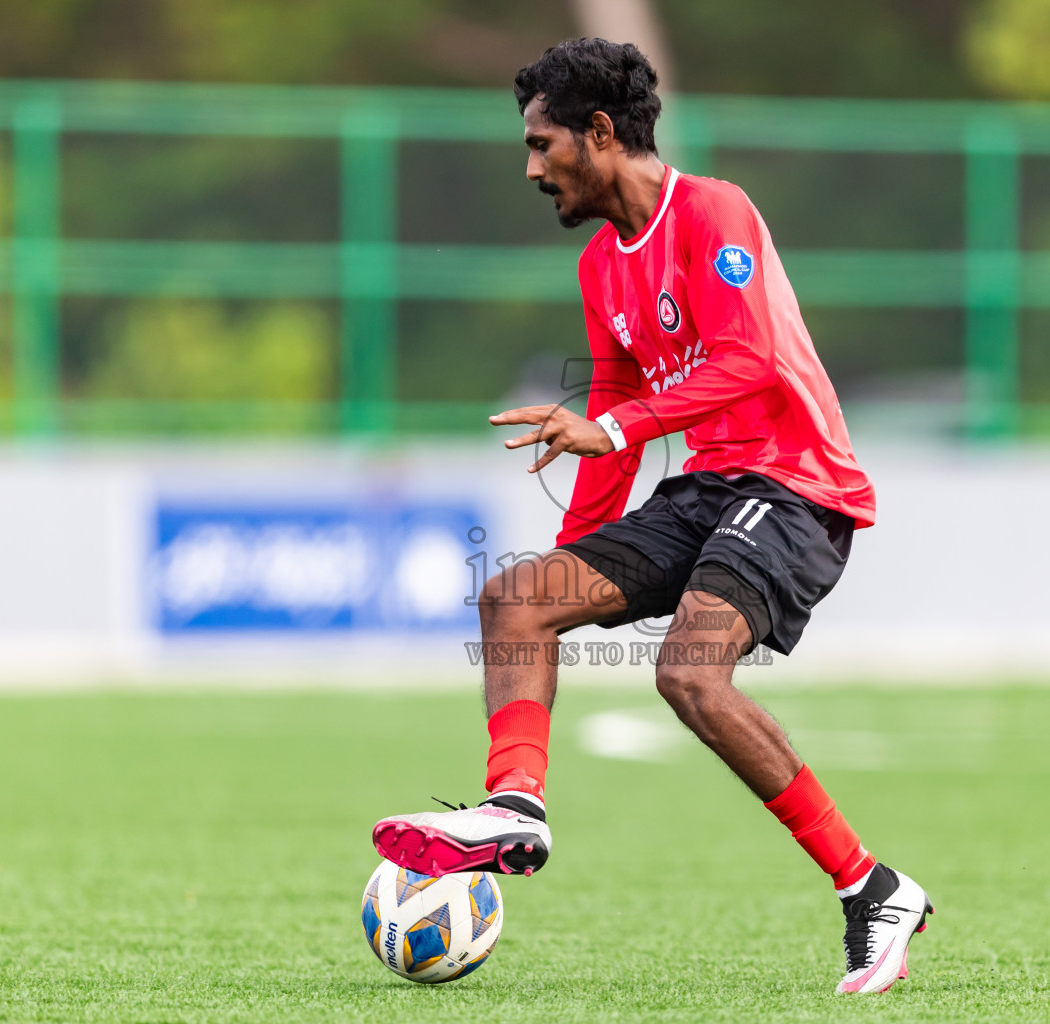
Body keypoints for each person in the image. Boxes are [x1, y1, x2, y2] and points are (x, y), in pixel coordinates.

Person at [373, 39, 930, 994]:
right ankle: (517, 807)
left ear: (600, 133)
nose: (532, 166)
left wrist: (615, 423)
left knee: (689, 676)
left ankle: (872, 887)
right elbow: (610, 433)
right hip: (713, 488)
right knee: (514, 601)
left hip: (796, 486)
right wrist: (563, 579)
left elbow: (747, 359)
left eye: (544, 144)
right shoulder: (601, 268)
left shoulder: (714, 210)